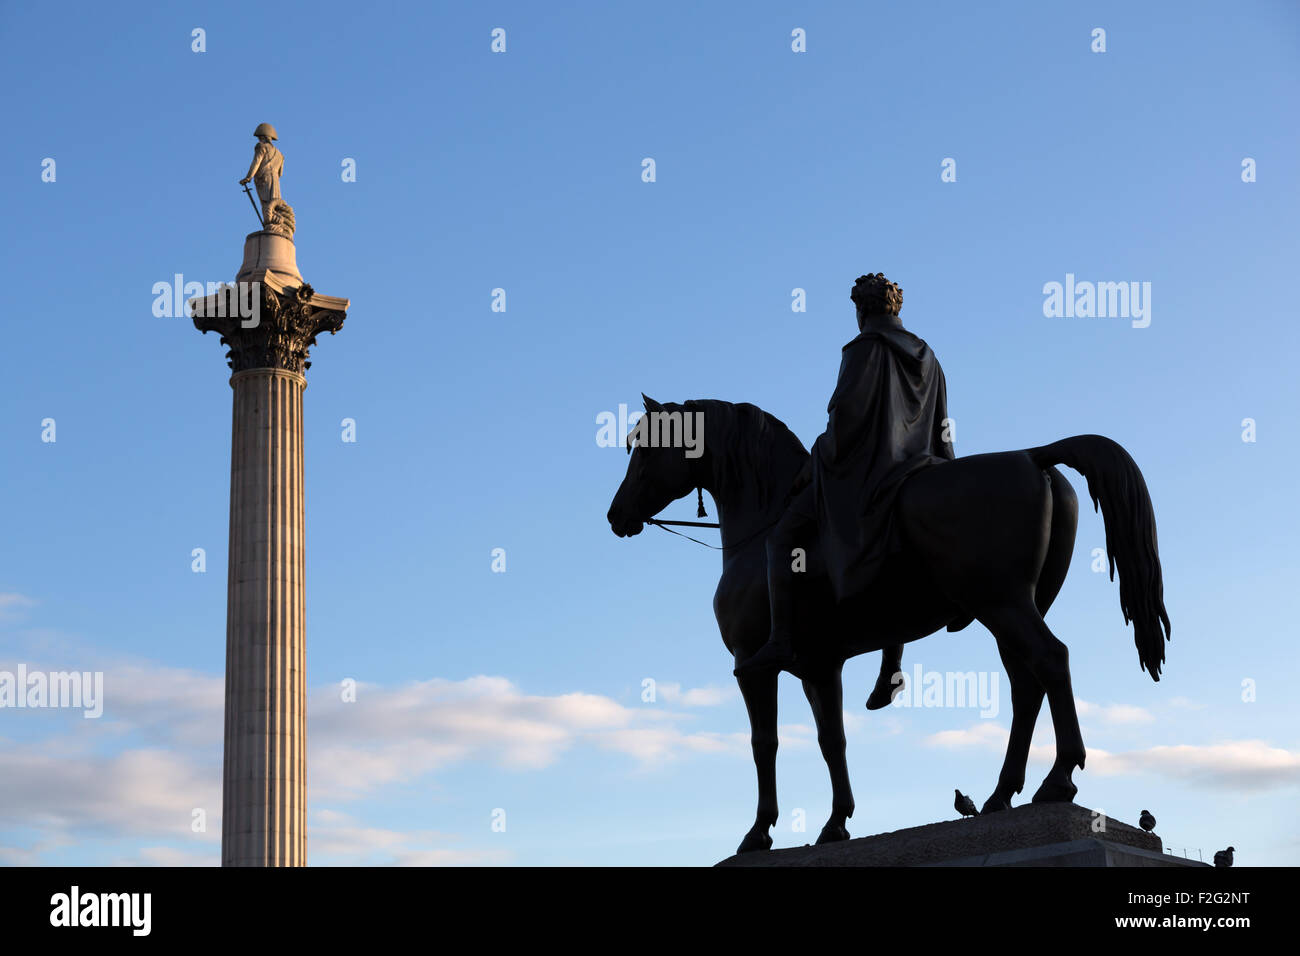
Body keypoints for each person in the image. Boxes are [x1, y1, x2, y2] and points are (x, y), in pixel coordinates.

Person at [736, 273, 955, 709]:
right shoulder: (927, 355)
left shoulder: (863, 349)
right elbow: (942, 426)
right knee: (897, 553)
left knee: (781, 539)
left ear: (862, 310)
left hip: (869, 473)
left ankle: (780, 639)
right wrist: (945, 472)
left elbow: (846, 419)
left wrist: (813, 463)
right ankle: (892, 665)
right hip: (918, 468)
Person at [240, 123, 285, 225]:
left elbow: (256, 162)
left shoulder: (261, 147)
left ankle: (269, 224)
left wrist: (248, 177)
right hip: (275, 181)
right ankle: (276, 224)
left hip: (264, 179)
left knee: (266, 204)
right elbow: (280, 173)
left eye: (260, 137)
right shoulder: (280, 154)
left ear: (264, 137)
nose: (259, 140)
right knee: (275, 205)